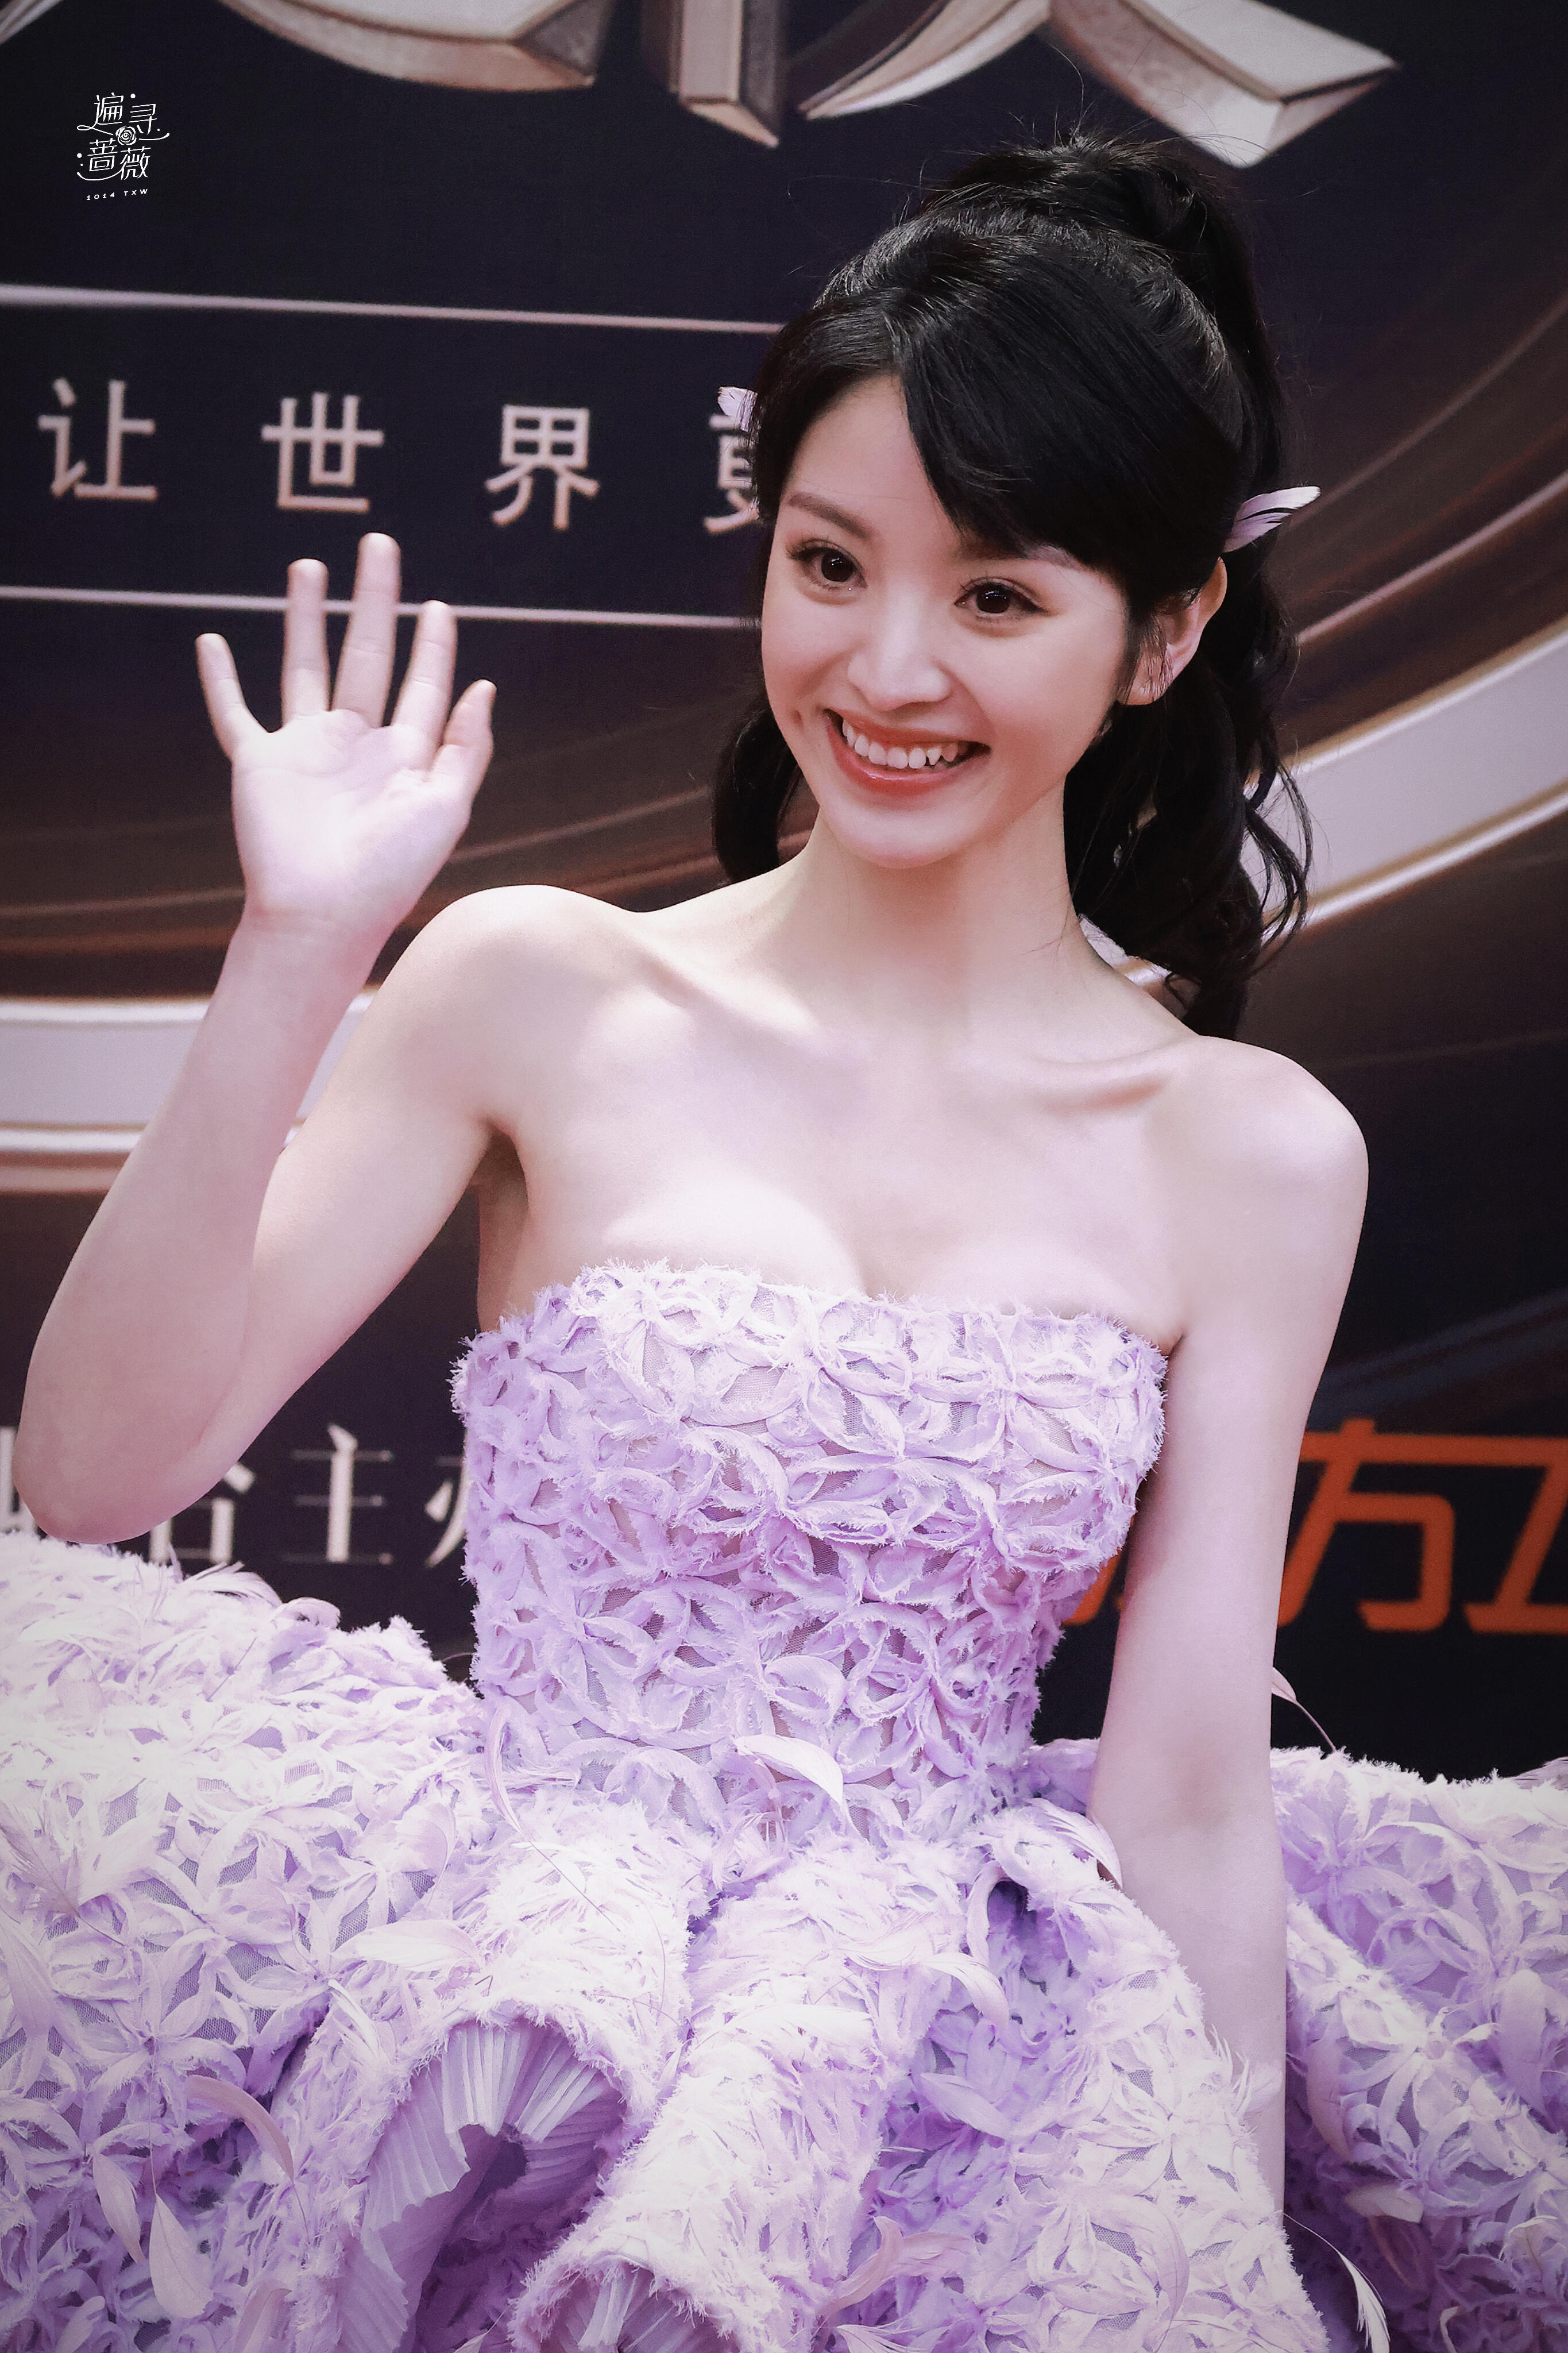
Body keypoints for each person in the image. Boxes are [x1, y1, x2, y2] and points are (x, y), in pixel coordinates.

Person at [4, 131, 1563, 2353]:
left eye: (997, 598)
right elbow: (93, 1476)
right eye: (830, 565)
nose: (886, 667)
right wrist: (294, 952)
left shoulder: (1249, 1153)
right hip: (495, 2025)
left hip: (939, 2101)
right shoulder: (538, 984)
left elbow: (1188, 1795)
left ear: (1163, 631)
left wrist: (1202, 2245)